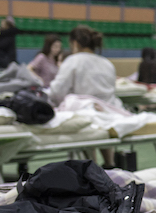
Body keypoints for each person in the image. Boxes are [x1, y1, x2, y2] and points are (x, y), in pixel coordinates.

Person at [48, 25, 122, 167]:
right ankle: (109, 164)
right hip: (110, 113)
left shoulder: (73, 61)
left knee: (86, 119)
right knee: (100, 122)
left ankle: (92, 168)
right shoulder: (106, 63)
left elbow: (57, 91)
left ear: (74, 43)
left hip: (87, 115)